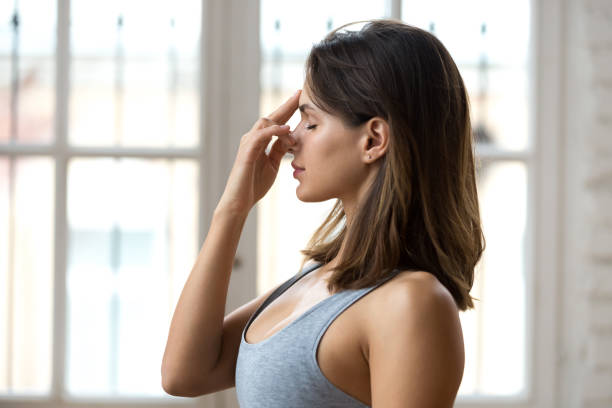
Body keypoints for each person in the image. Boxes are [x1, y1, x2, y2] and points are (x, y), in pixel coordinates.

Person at [161, 19, 484, 407]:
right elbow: (184, 373)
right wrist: (232, 208)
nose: (292, 139)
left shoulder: (411, 303)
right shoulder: (315, 280)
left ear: (374, 140)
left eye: (311, 122)